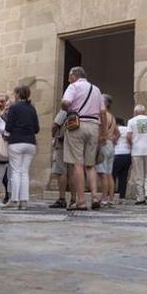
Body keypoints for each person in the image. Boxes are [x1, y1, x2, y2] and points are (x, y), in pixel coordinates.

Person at [60, 66, 106, 211]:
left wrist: (66, 108)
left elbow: (66, 103)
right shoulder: (96, 89)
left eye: (69, 76)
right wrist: (103, 132)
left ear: (74, 76)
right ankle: (94, 196)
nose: (68, 79)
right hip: (94, 126)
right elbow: (103, 112)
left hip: (77, 125)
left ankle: (80, 201)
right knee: (90, 165)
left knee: (77, 164)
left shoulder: (73, 86)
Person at [2, 85, 39, 210]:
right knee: (24, 172)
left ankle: (14, 199)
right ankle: (24, 201)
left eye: (15, 93)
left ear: (18, 94)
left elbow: (8, 127)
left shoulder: (14, 107)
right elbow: (37, 128)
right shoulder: (32, 109)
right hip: (30, 143)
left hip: (16, 142)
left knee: (16, 172)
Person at [127, 104, 147, 205]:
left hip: (137, 151)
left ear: (135, 112)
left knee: (138, 174)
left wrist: (133, 143)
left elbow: (128, 136)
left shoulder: (131, 121)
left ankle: (140, 197)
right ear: (144, 112)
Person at [95, 94, 119, 207]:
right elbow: (117, 133)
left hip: (104, 144)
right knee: (109, 174)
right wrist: (113, 140)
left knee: (102, 173)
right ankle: (111, 198)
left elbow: (100, 129)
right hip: (110, 145)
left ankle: (104, 198)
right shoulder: (113, 117)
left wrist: (101, 139)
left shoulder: (103, 115)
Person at [47, 109, 71, 208]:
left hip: (62, 142)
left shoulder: (64, 111)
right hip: (74, 143)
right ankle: (74, 198)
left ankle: (62, 198)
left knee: (61, 170)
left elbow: (55, 125)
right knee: (73, 170)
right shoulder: (80, 109)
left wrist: (54, 136)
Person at [112, 117, 131, 202]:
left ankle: (111, 196)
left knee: (112, 176)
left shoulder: (114, 129)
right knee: (123, 177)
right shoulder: (127, 129)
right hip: (127, 154)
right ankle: (122, 197)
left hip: (117, 154)